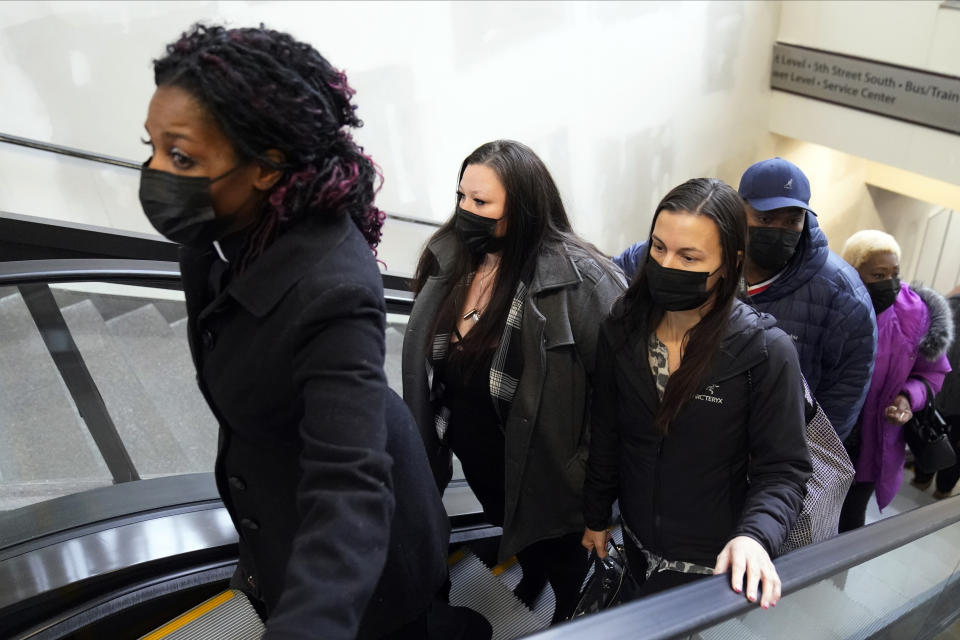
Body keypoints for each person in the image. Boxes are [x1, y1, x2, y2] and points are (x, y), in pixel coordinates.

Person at [139, 24, 463, 640]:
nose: (155, 172)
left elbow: (350, 487)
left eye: (180, 157)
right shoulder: (212, 240)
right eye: (151, 147)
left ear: (268, 167)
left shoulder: (333, 287)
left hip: (370, 563)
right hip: (277, 508)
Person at [401, 140, 625, 622]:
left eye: (481, 203)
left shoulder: (583, 280)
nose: (465, 212)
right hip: (481, 456)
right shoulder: (454, 258)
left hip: (546, 470)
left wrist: (590, 482)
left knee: (561, 556)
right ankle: (532, 574)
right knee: (512, 530)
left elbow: (618, 393)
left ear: (522, 209)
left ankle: (566, 609)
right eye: (461, 197)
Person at [583, 178, 812, 609]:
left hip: (710, 562)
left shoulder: (765, 353)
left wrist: (756, 536)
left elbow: (783, 468)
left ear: (730, 263)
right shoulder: (623, 329)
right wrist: (597, 516)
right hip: (633, 536)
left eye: (689, 256)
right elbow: (607, 430)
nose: (666, 264)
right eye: (658, 248)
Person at [613, 158, 876, 441]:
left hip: (767, 447)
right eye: (765, 219)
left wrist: (802, 472)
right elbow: (614, 283)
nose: (779, 230)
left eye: (792, 221)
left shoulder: (843, 296)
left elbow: (845, 392)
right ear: (740, 212)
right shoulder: (679, 256)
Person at [837, 230, 953, 531]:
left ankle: (835, 578)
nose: (890, 281)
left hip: (875, 439)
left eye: (895, 273)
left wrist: (907, 397)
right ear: (853, 271)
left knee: (851, 518)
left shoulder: (915, 313)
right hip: (829, 431)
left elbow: (931, 373)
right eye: (878, 274)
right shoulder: (833, 303)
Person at [913, 285, 960, 498]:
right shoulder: (947, 305)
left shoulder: (946, 306)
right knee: (955, 443)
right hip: (946, 392)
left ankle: (923, 478)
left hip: (937, 387)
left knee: (929, 429)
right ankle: (943, 489)